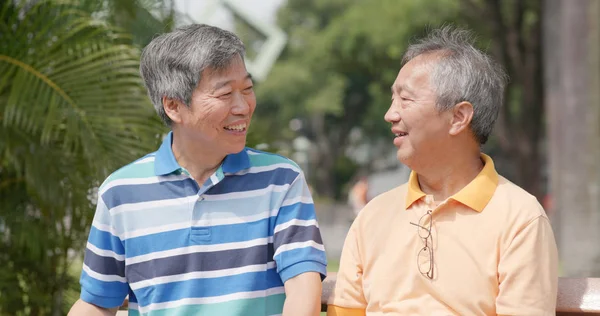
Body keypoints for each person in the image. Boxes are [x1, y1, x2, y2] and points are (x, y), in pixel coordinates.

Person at [69, 24, 327, 316]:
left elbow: (303, 288)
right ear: (174, 106)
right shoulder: (120, 194)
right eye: (225, 93)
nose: (243, 106)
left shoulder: (281, 181)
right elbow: (97, 303)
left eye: (247, 88)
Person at [327, 26, 558, 315]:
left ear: (458, 117)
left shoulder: (521, 218)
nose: (390, 114)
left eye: (405, 99)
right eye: (392, 99)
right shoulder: (373, 216)